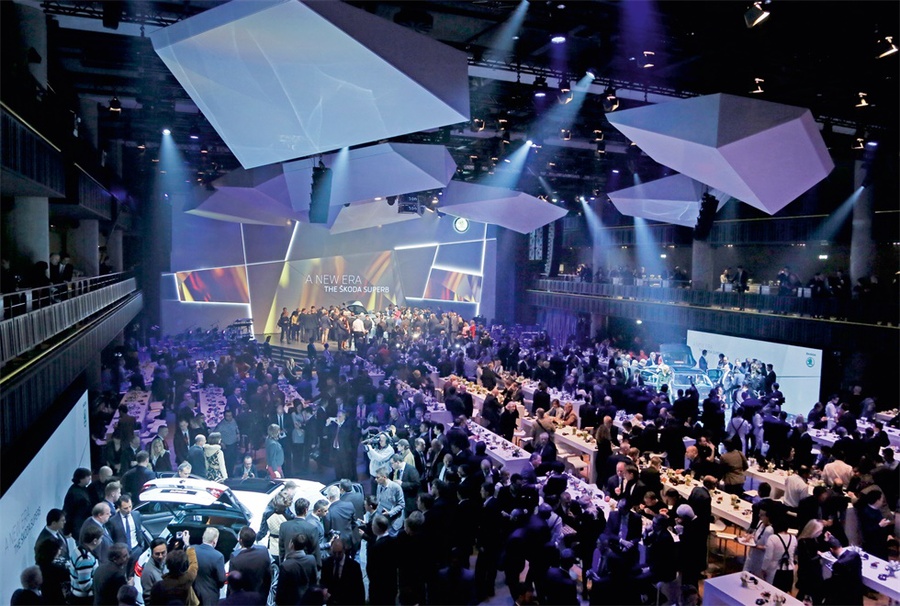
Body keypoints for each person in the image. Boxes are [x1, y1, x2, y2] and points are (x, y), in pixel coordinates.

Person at [228, 527, 272, 599]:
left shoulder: (235, 558)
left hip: (242, 597)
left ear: (240, 541)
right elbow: (268, 576)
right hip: (260, 595)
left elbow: (232, 582)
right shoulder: (264, 552)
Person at [275, 534, 318, 605]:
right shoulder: (311, 559)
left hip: (291, 601)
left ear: (291, 544)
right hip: (307, 599)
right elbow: (314, 580)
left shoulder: (286, 565)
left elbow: (281, 590)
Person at [321, 537, 365, 605]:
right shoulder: (326, 563)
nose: (337, 556)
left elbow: (359, 590)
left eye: (339, 553)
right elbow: (323, 582)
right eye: (334, 553)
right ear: (331, 550)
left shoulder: (354, 566)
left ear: (344, 550)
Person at [67, 524, 104, 605]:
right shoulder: (85, 559)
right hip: (83, 600)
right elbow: (85, 585)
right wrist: (100, 581)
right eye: (101, 538)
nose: (101, 540)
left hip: (76, 596)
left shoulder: (77, 550)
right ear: (95, 541)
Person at [824, 534, 863, 606]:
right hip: (857, 592)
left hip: (845, 596)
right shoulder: (855, 554)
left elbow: (835, 583)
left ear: (831, 550)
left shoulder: (838, 564)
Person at [762, 516, 796, 592]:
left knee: (771, 592)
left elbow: (768, 557)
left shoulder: (773, 538)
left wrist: (763, 569)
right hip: (789, 570)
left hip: (775, 571)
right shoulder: (793, 538)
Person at [193, 527, 226, 605]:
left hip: (193, 594)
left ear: (203, 537)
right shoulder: (218, 556)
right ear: (214, 541)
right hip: (209, 597)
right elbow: (221, 579)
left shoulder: (191, 549)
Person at [107, 495, 145, 561]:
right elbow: (111, 538)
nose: (129, 510)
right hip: (121, 554)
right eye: (125, 508)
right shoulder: (112, 521)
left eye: (130, 506)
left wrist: (141, 546)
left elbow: (139, 530)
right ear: (119, 507)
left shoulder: (136, 514)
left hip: (136, 549)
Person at [64, 468, 94, 537]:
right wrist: (67, 531)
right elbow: (69, 512)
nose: (90, 478)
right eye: (87, 476)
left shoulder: (83, 488)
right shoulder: (74, 493)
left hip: (84, 524)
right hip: (79, 527)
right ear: (81, 479)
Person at [140, 539, 167, 605]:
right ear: (152, 553)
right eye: (157, 554)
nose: (160, 556)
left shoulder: (166, 562)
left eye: (163, 553)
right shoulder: (148, 572)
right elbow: (148, 598)